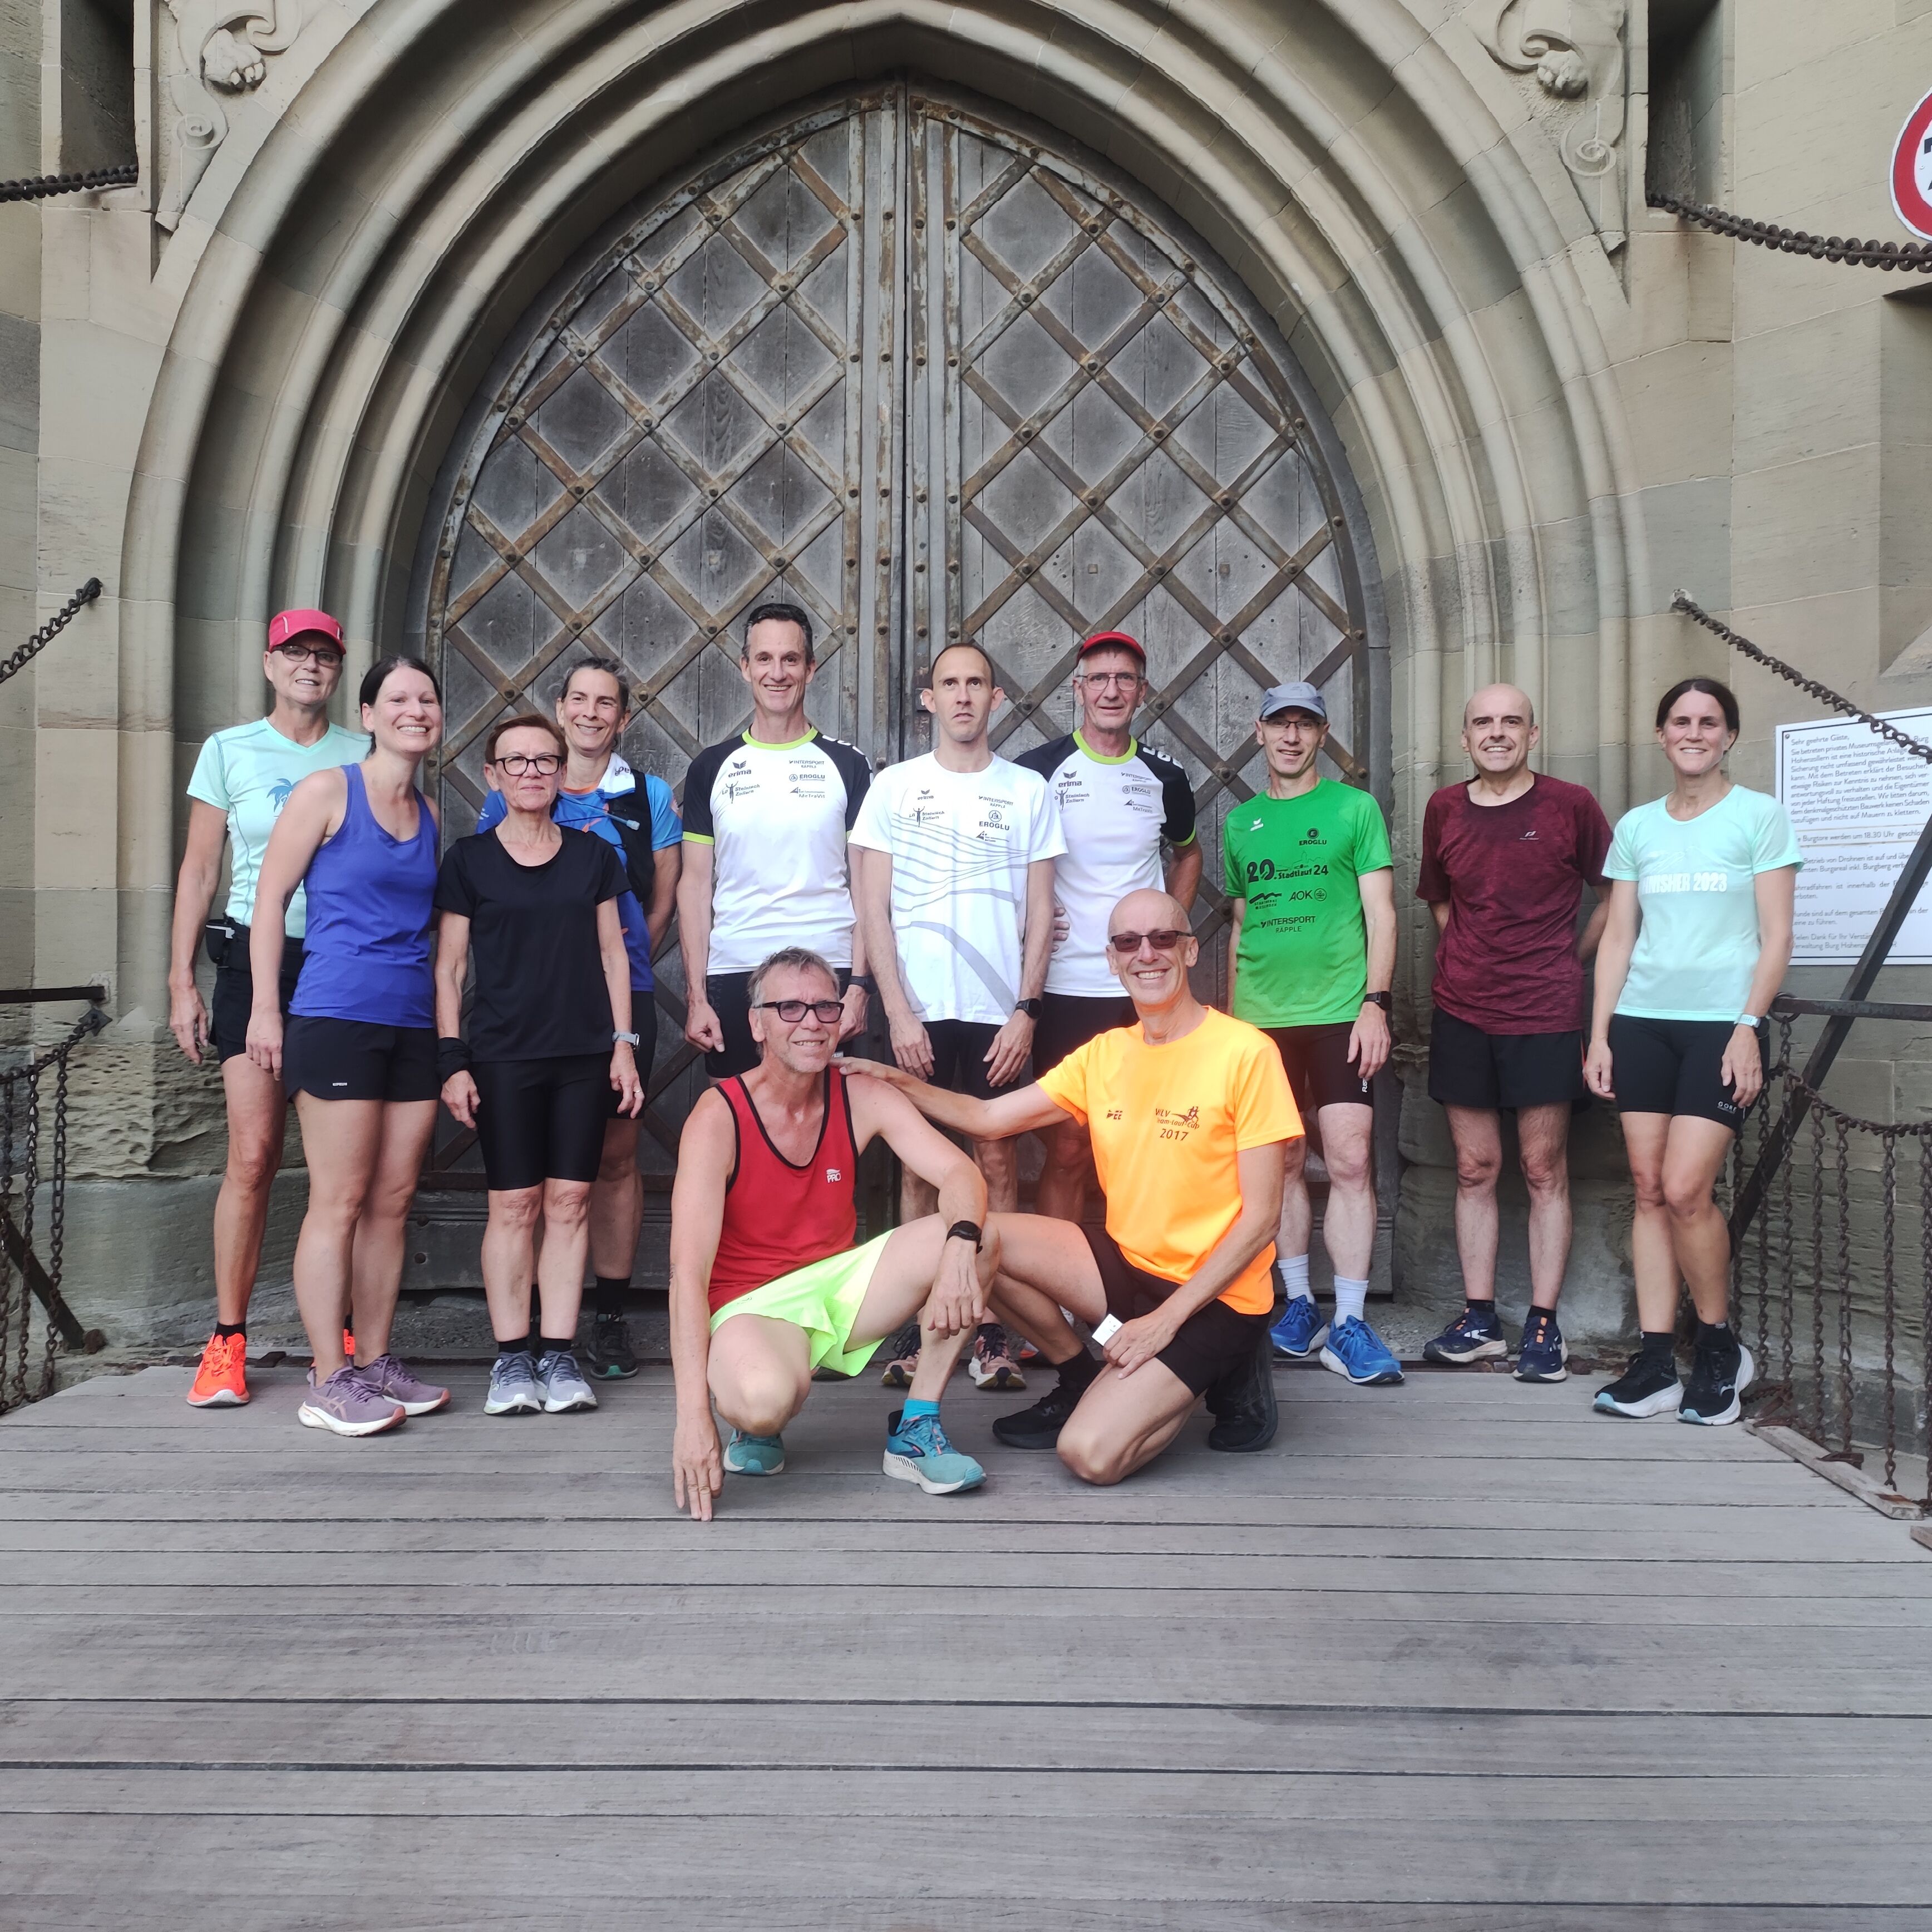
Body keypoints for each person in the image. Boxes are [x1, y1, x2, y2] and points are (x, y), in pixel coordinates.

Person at [844, 888, 1301, 1481]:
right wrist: (891, 1079)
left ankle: (1216, 1372)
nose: (1146, 954)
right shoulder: (1105, 1053)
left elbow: (1262, 1220)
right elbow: (987, 1117)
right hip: (1126, 1265)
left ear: (1190, 951)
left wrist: (1164, 1325)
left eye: (1163, 939)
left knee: (1090, 1454)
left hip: (1217, 1295)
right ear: (1111, 960)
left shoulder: (1246, 1053)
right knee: (979, 1237)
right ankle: (1081, 1375)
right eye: (1127, 943)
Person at [669, 948, 1003, 1519]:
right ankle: (758, 1420)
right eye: (790, 1008)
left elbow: (958, 1173)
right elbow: (686, 1273)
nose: (812, 1022)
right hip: (752, 1304)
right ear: (756, 1024)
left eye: (825, 1007)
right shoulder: (718, 1114)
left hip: (839, 1288)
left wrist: (959, 1244)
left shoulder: (859, 1092)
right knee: (763, 1402)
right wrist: (692, 1417)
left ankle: (916, 1429)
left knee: (981, 1238)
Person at [169, 608, 372, 1408]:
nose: (309, 666)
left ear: (338, 670)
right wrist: (181, 980)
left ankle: (340, 1334)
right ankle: (227, 1339)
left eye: (324, 655)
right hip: (250, 964)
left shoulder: (361, 752)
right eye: (295, 653)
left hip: (340, 967)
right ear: (269, 664)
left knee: (340, 1172)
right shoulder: (229, 750)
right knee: (252, 1157)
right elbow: (199, 869)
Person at [851, 639, 1063, 1392]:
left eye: (977, 683)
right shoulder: (894, 788)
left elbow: (1041, 913)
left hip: (997, 1011)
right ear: (930, 699)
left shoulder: (1027, 791)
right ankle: (921, 1323)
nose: (964, 695)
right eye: (950, 683)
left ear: (995, 698)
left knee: (998, 1161)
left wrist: (1025, 1012)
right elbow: (872, 909)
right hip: (920, 1010)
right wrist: (897, 1013)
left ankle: (993, 1326)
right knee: (920, 1167)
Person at [1586, 677, 1800, 1426]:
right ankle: (1654, 1363)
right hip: (1642, 1022)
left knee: (1684, 1188)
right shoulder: (1638, 826)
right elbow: (1618, 937)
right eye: (1681, 720)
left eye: (1709, 722)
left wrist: (1747, 1025)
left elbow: (1777, 936)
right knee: (1648, 1188)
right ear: (1662, 733)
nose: (1694, 732)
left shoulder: (1758, 817)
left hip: (1719, 1025)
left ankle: (1716, 1346)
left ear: (1729, 735)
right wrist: (1599, 1034)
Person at [247, 655, 450, 1436]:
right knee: (338, 1200)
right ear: (366, 715)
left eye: (426, 698)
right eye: (397, 698)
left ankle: (374, 1359)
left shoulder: (430, 813)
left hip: (410, 1022)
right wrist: (266, 1010)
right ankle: (327, 1376)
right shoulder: (328, 791)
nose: (415, 710)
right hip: (336, 1015)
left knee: (392, 1202)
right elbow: (270, 900)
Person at [436, 713, 646, 1419]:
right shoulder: (468, 860)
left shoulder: (592, 857)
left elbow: (614, 954)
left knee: (570, 1202)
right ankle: (511, 1357)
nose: (531, 772)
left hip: (583, 1054)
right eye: (515, 761)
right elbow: (450, 968)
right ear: (493, 774)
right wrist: (452, 1059)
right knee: (514, 1205)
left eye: (543, 761)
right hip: (503, 1056)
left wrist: (623, 1044)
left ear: (561, 773)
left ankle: (558, 1354)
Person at [476, 657, 680, 1378]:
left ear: (623, 717)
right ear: (561, 709)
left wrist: (621, 962)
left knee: (615, 1157)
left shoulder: (649, 795)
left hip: (620, 997)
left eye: (607, 703)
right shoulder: (519, 784)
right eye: (580, 700)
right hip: (531, 1002)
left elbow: (663, 896)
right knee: (530, 1168)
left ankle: (610, 1316)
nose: (592, 712)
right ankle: (527, 1327)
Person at [1416, 685, 1612, 1383]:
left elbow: (1615, 896)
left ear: (1532, 733)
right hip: (1462, 1008)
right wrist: (1472, 957)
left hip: (1544, 1012)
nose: (1495, 732)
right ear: (1464, 737)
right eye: (1482, 722)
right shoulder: (1443, 808)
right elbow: (1440, 900)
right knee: (1475, 1167)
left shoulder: (1571, 805)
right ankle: (1478, 1321)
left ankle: (1543, 1325)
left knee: (1541, 1168)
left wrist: (1566, 960)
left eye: (1510, 722)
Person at [1224, 681, 1401, 1386]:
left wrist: (1375, 1004)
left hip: (1338, 1014)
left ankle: (1350, 1321)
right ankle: (1298, 1305)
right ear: (1259, 732)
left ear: (1323, 735)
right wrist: (1232, 1024)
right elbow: (1241, 924)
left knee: (1350, 1160)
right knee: (1284, 1163)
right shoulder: (1241, 823)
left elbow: (1381, 913)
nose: (1291, 736)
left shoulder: (1354, 809)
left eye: (1305, 724)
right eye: (1280, 724)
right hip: (1261, 1022)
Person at [1014, 630, 1201, 1224]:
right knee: (1069, 1147)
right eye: (1098, 678)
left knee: (1157, 1138)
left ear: (1142, 691)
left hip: (1146, 988)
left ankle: (1146, 1264)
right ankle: (1061, 1271)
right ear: (1078, 688)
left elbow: (1188, 854)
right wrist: (1027, 916)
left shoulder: (1165, 777)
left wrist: (1169, 929)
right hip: (1067, 985)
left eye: (1125, 679)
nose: (1111, 690)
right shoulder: (1037, 772)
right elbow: (1004, 860)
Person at [678, 603, 873, 1080]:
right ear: (746, 667)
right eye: (764, 659)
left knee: (823, 1115)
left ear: (811, 668)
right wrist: (697, 995)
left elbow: (869, 884)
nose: (778, 673)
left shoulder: (848, 765)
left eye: (791, 659)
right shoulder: (711, 767)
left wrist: (859, 986)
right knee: (738, 1117)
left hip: (827, 968)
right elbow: (694, 884)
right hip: (736, 969)